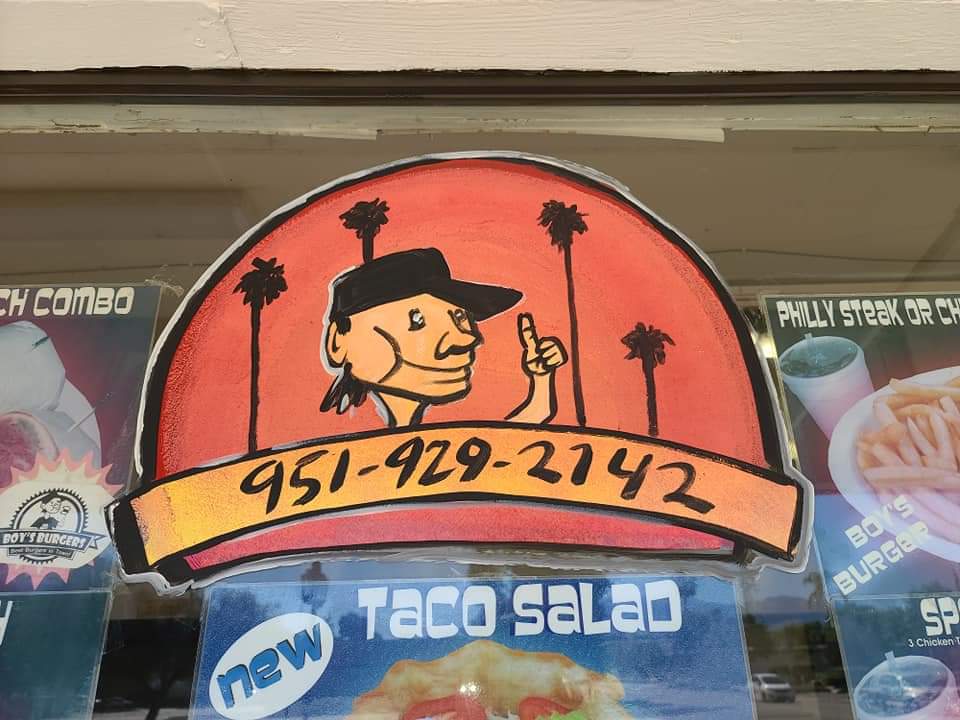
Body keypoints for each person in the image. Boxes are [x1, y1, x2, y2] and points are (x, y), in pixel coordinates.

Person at [321, 248, 567, 427]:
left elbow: (507, 448)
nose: (467, 339)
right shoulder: (337, 443)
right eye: (417, 320)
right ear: (337, 342)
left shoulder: (437, 449)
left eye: (460, 317)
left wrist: (541, 381)